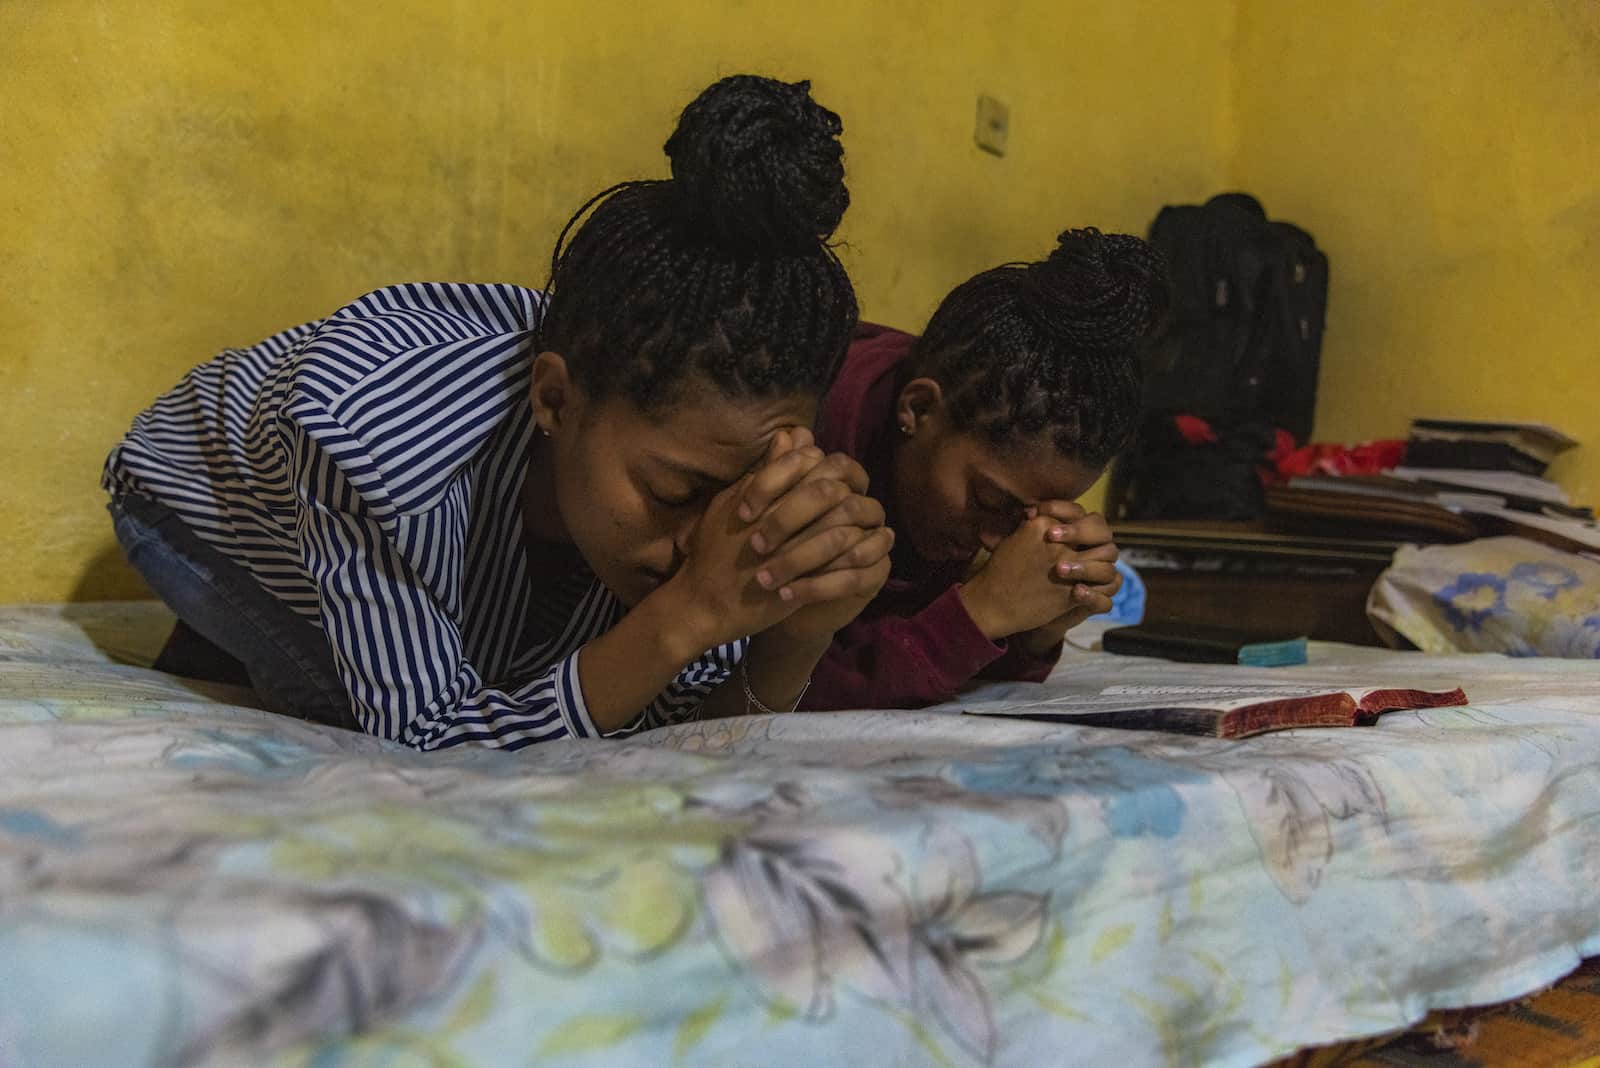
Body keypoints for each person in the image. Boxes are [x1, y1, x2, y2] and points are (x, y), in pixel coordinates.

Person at [103, 74, 892, 749]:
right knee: (349, 722)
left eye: (734, 497)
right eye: (677, 495)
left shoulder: (687, 448)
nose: (703, 541)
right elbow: (427, 745)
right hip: (199, 509)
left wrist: (798, 631)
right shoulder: (370, 437)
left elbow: (686, 727)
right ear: (554, 397)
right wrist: (687, 615)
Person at [803, 228, 1168, 709]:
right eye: (992, 501)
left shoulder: (953, 461)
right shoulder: (803, 439)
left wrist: (1033, 628)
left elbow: (941, 674)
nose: (998, 543)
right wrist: (979, 613)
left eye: (1026, 519)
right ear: (917, 408)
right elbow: (768, 691)